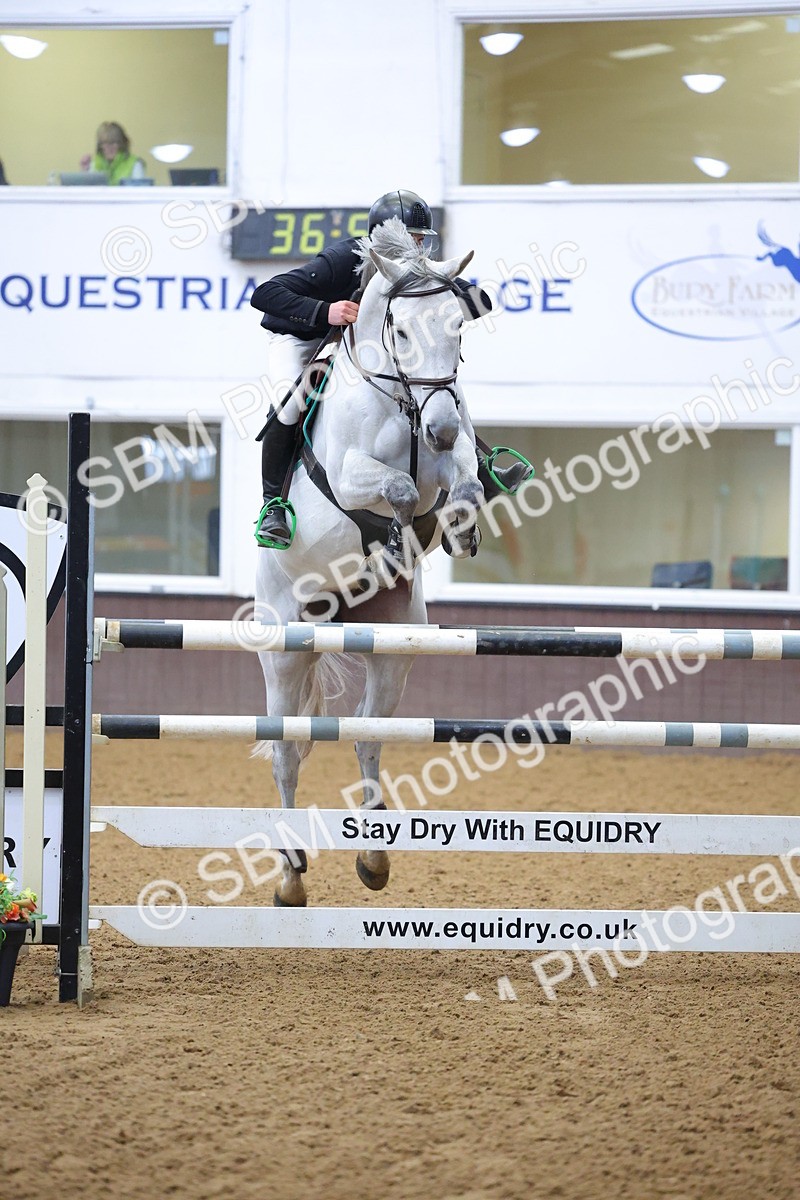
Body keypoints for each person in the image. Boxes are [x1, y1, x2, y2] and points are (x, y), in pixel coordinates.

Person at [249, 188, 529, 548]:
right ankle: (273, 504)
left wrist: (442, 298)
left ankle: (478, 468)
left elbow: (481, 303)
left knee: (438, 385)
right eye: (413, 238)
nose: (417, 246)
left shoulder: (417, 272)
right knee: (291, 401)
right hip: (302, 337)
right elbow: (266, 293)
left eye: (422, 240)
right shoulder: (342, 258)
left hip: (361, 347)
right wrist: (326, 311)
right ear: (383, 234)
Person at [80, 122, 145, 185]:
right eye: (104, 143)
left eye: (113, 143)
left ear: (121, 144)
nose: (109, 147)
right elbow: (88, 191)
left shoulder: (135, 164)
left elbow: (139, 193)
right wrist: (85, 173)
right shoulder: (95, 163)